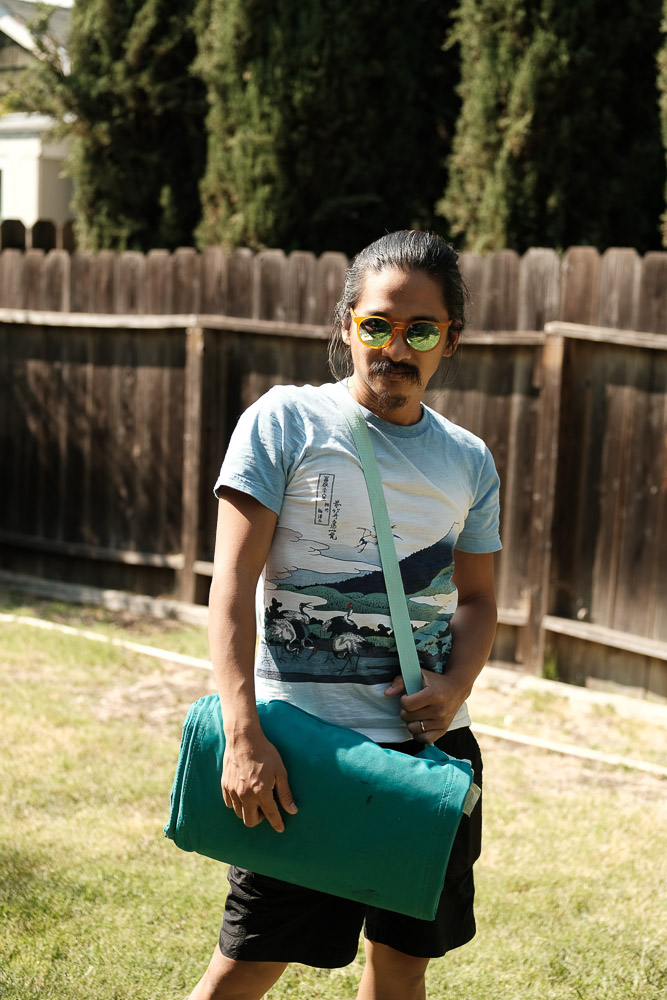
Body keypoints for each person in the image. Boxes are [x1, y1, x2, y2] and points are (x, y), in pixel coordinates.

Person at [187, 230, 501, 1000]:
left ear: (450, 340)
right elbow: (232, 584)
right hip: (302, 755)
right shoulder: (284, 422)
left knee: (399, 966)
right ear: (346, 325)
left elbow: (479, 599)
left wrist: (455, 685)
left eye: (419, 330)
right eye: (377, 324)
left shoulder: (468, 460)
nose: (394, 347)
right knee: (245, 967)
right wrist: (243, 733)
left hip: (426, 760)